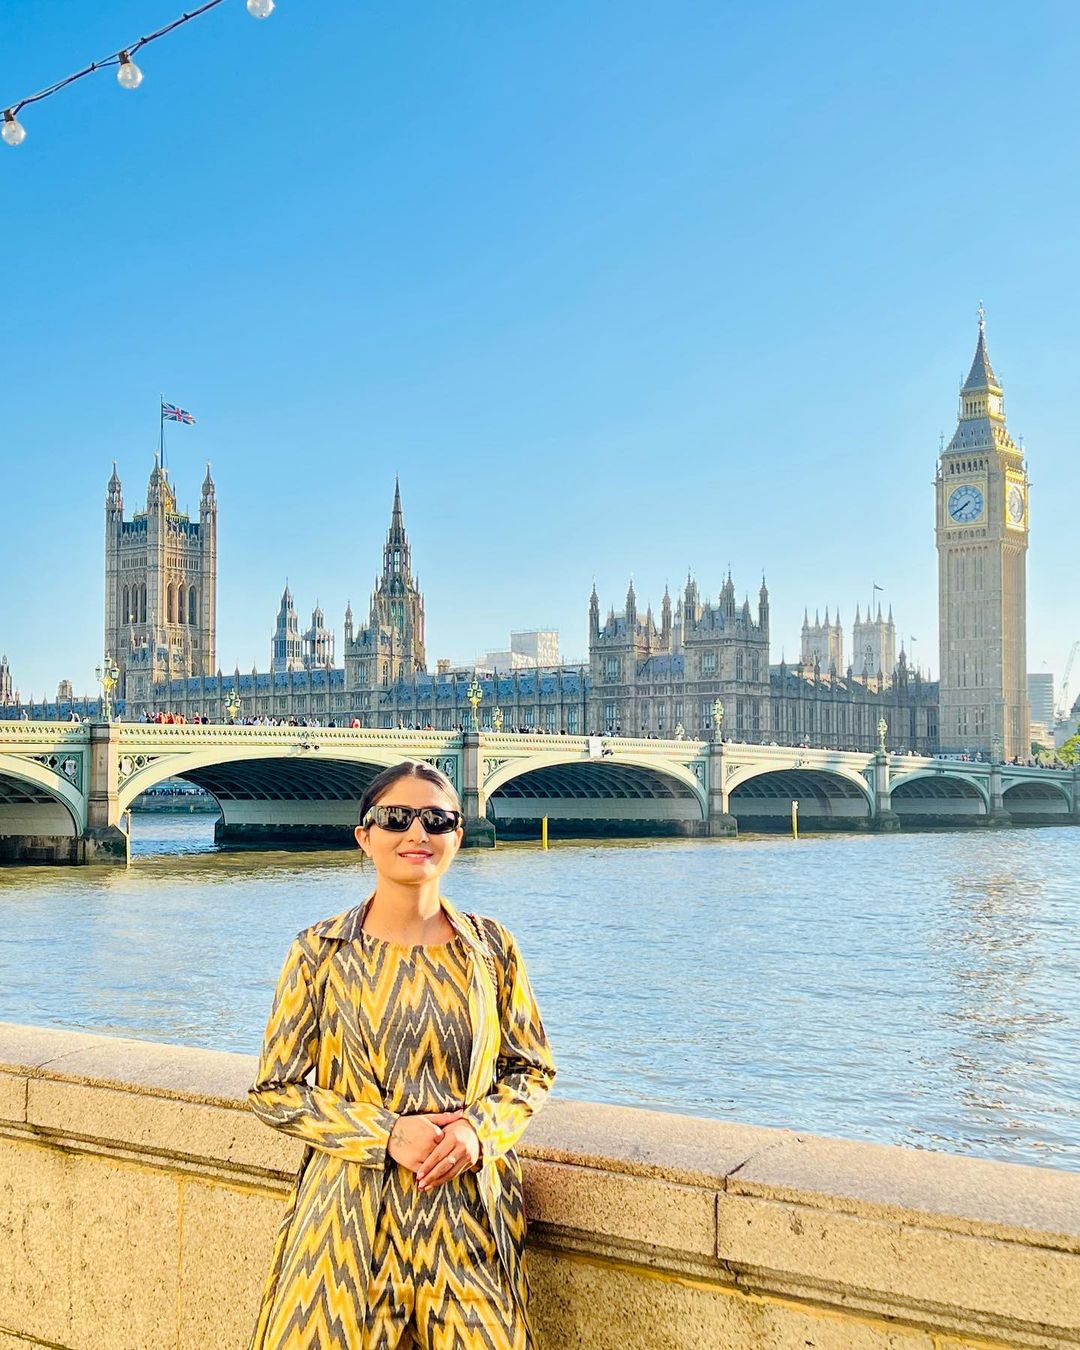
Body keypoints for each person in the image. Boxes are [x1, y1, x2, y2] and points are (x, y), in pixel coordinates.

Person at [248, 759, 555, 1350]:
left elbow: (531, 1068)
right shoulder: (319, 951)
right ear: (365, 836)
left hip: (467, 1219)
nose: (417, 833)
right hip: (346, 1223)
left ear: (457, 836)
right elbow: (275, 1090)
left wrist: (478, 1131)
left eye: (437, 820)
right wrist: (385, 1134)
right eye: (396, 818)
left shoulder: (492, 949)